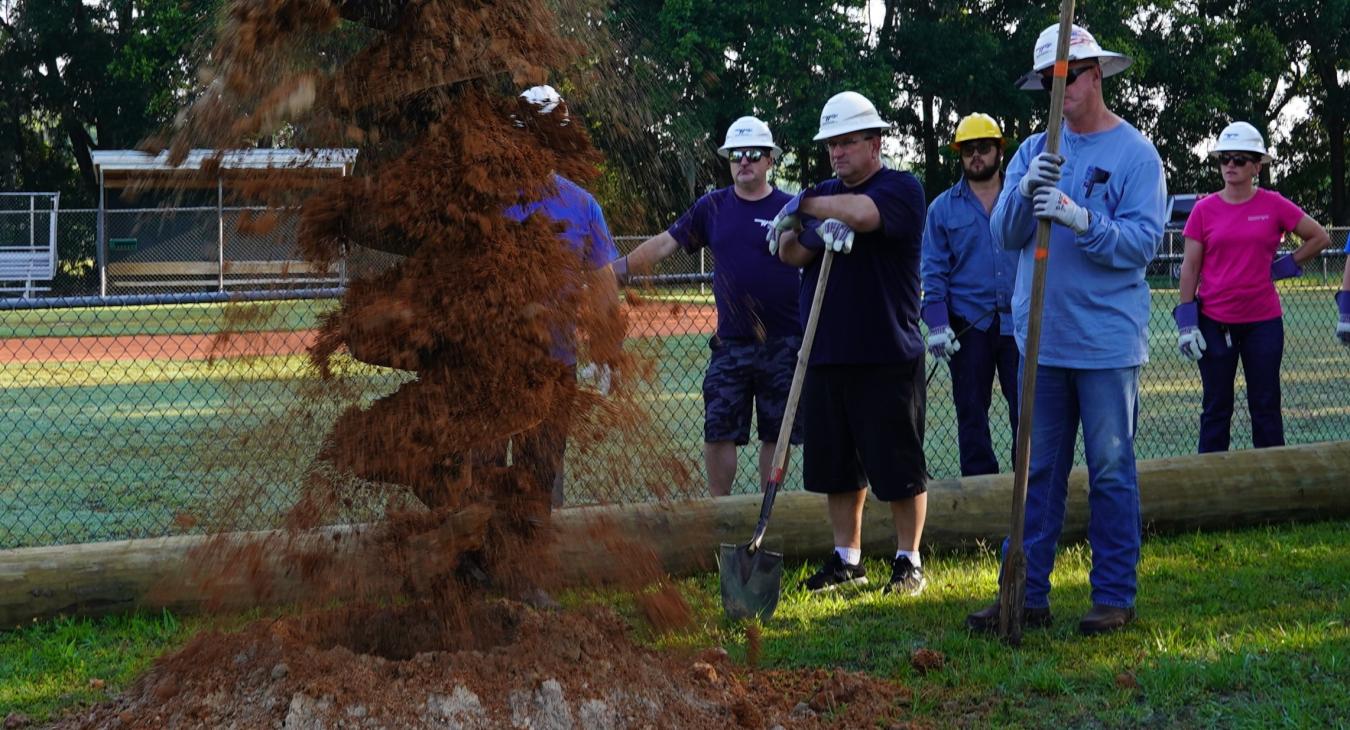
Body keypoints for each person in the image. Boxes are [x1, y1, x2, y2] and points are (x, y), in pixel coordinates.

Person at [967, 24, 1167, 636]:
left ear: (1095, 75)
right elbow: (1004, 236)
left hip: (1106, 344)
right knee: (1037, 473)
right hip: (1042, 344)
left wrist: (1084, 220)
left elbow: (1143, 245)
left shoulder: (1135, 154)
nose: (1059, 92)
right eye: (1049, 83)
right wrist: (1024, 193)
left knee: (1110, 469)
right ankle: (1023, 593)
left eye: (1069, 77)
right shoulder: (1032, 149)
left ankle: (1113, 596)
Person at [770, 91, 930, 596]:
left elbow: (864, 215)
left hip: (886, 350)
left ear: (875, 141)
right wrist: (792, 232)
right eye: (830, 145)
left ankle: (909, 561)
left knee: (898, 464)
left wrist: (803, 204)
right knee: (836, 466)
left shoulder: (901, 188)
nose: (836, 153)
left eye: (846, 142)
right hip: (825, 351)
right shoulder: (821, 195)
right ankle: (847, 559)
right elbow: (795, 255)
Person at [613, 116, 803, 497]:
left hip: (784, 343)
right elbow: (666, 243)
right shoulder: (712, 207)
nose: (743, 161)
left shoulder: (793, 207)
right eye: (736, 155)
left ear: (770, 160)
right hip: (731, 343)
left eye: (752, 154)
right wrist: (619, 270)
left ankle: (769, 513)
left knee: (776, 432)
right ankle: (721, 513)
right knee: (718, 430)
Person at [488, 84, 623, 509]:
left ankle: (533, 568)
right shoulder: (484, 199)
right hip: (490, 367)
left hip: (553, 366)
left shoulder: (583, 206)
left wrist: (606, 350)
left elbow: (602, 285)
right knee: (483, 476)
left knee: (539, 476)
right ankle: (480, 566)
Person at [1174, 121, 1333, 453]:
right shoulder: (1203, 210)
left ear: (1256, 166)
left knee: (1266, 406)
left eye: (1240, 159)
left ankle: (1274, 490)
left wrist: (1286, 265)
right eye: (1224, 159)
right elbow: (1189, 267)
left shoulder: (1273, 204)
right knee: (1216, 409)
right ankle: (1213, 488)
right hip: (1214, 323)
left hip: (1263, 323)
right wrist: (1187, 323)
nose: (1230, 165)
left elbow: (1319, 237)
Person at [921, 113, 1021, 477]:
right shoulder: (942, 209)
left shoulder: (1020, 198)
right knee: (971, 412)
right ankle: (980, 489)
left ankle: (1028, 488)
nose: (975, 156)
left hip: (1019, 323)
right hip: (968, 324)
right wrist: (936, 323)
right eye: (968, 150)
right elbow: (933, 270)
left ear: (999, 151)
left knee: (1028, 412)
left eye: (983, 148)